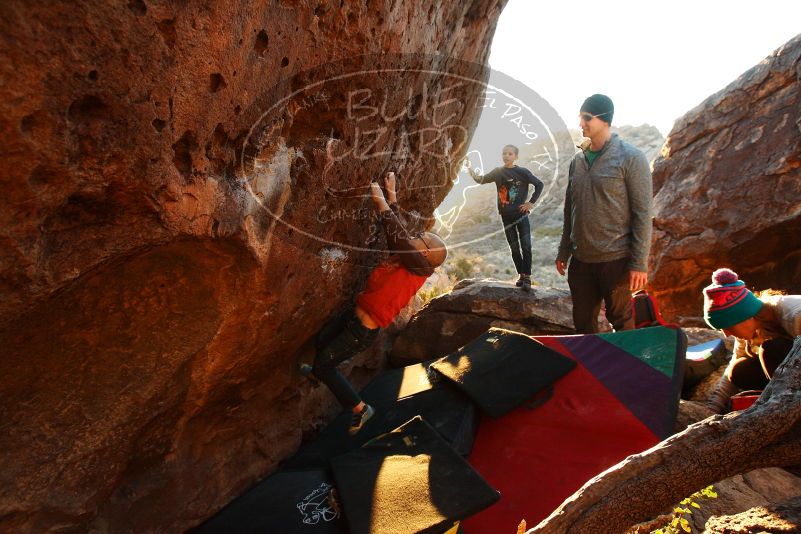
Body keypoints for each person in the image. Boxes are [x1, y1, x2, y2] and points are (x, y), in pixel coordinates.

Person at [303, 172, 447, 434]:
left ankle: (360, 410)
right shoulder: (409, 260)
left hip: (362, 331)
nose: (414, 236)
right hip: (355, 314)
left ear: (424, 252)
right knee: (323, 338)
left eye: (420, 237)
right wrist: (391, 197)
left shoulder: (419, 267)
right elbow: (399, 235)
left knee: (327, 363)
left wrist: (381, 204)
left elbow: (400, 237)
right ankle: (317, 373)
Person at [555, 94, 652, 333]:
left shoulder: (631, 158)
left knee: (621, 322)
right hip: (581, 262)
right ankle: (590, 371)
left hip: (616, 261)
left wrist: (639, 263)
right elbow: (571, 208)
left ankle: (628, 370)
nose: (581, 124)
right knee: (583, 326)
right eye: (580, 117)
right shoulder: (577, 161)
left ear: (605, 120)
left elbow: (643, 213)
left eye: (587, 118)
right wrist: (564, 250)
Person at [703, 267, 801, 412]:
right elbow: (734, 363)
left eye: (728, 326)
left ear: (745, 316)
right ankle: (775, 396)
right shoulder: (751, 326)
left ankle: (785, 405)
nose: (727, 334)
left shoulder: (795, 315)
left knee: (771, 349)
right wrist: (713, 407)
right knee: (739, 370)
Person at [468, 144, 543, 291]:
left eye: (510, 154)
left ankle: (527, 277)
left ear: (516, 156)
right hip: (506, 216)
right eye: (504, 153)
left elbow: (539, 184)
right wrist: (469, 167)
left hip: (521, 215)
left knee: (526, 246)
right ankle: (521, 275)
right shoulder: (498, 172)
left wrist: (531, 203)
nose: (506, 156)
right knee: (514, 247)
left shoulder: (522, 172)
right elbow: (481, 179)